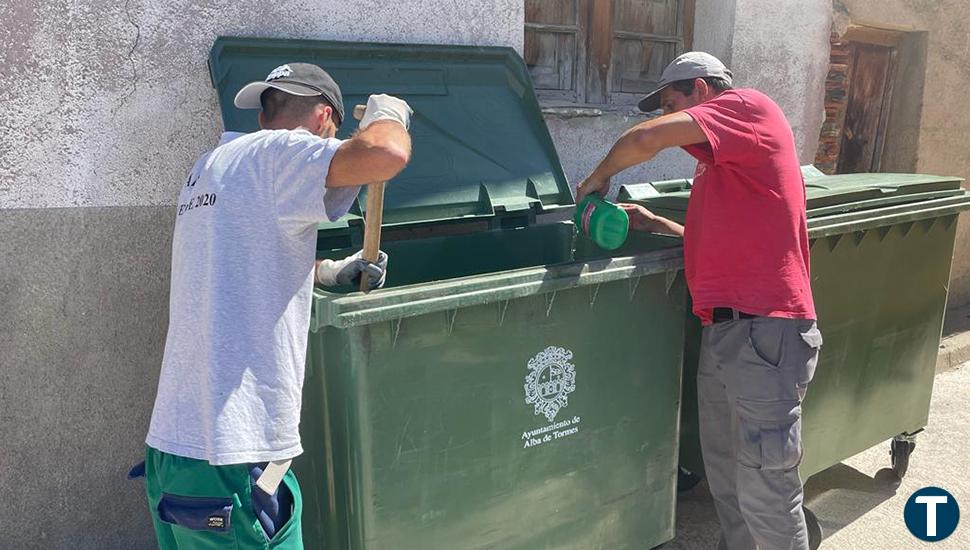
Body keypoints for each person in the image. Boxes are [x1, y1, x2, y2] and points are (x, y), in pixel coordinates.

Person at [136, 62, 412, 549]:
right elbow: (384, 152)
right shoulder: (283, 151)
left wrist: (328, 272)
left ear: (265, 115)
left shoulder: (212, 168)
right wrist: (388, 116)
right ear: (325, 119)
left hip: (174, 452)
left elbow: (242, 263)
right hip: (233, 459)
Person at [577, 52, 823, 550]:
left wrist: (596, 179)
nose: (669, 118)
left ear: (704, 91)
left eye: (672, 104)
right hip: (727, 333)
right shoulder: (722, 170)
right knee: (729, 481)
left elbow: (642, 141)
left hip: (765, 330)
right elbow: (711, 244)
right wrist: (652, 222)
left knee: (767, 486)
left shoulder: (749, 108)